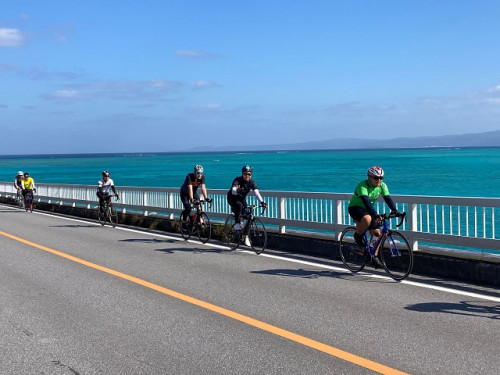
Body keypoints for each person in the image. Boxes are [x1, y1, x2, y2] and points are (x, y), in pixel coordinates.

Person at [348, 166, 400, 268]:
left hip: (368, 210)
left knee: (377, 233)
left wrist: (396, 211)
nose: (379, 180)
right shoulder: (362, 186)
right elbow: (366, 201)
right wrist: (375, 214)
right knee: (367, 219)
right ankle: (358, 235)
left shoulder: (382, 186)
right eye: (376, 178)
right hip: (355, 208)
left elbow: (388, 198)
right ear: (369, 177)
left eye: (381, 178)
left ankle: (373, 256)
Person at [227, 165, 267, 246]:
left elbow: (256, 193)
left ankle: (245, 236)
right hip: (232, 198)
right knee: (239, 206)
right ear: (242, 173)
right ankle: (237, 225)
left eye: (249, 174)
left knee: (249, 216)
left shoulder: (251, 182)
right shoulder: (237, 180)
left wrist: (262, 202)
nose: (247, 176)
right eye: (245, 174)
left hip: (242, 199)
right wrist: (238, 189)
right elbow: (233, 191)